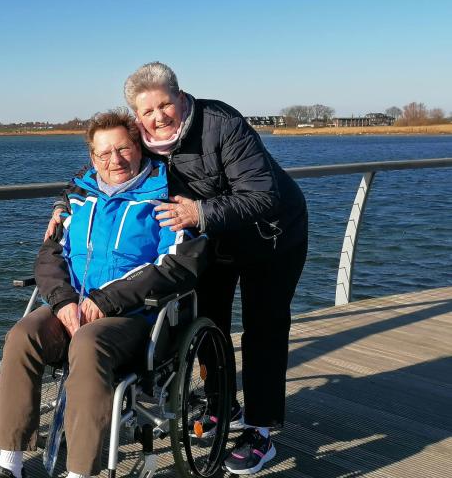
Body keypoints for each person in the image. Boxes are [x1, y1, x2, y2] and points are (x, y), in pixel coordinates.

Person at [46, 62, 309, 475]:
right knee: (207, 322)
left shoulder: (221, 124)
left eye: (164, 105)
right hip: (211, 240)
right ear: (137, 115)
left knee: (264, 328)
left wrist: (199, 212)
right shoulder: (142, 137)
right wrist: (64, 205)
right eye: (147, 111)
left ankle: (260, 430)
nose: (158, 117)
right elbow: (96, 171)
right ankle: (223, 406)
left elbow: (262, 194)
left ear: (181, 98)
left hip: (270, 237)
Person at [0, 109, 208, 478]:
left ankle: (80, 471)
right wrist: (63, 302)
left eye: (122, 149)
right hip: (73, 306)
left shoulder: (167, 198)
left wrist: (106, 301)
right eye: (104, 153)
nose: (114, 160)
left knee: (89, 343)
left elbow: (176, 265)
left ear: (138, 148)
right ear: (92, 158)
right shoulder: (78, 198)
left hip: (134, 317)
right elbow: (49, 255)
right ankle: (9, 461)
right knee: (23, 335)